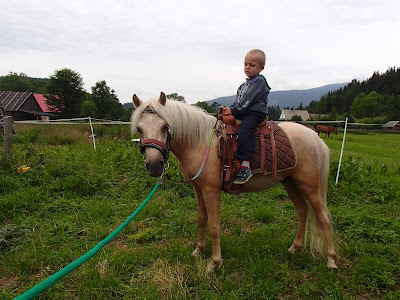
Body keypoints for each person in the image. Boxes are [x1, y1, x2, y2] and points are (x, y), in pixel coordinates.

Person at [220, 49, 271, 184]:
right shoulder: (243, 85)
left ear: (261, 68)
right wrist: (228, 110)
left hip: (255, 113)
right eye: (245, 64)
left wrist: (233, 110)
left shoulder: (259, 81)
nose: (247, 67)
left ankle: (246, 165)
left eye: (252, 65)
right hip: (244, 111)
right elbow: (238, 102)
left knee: (244, 131)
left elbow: (247, 101)